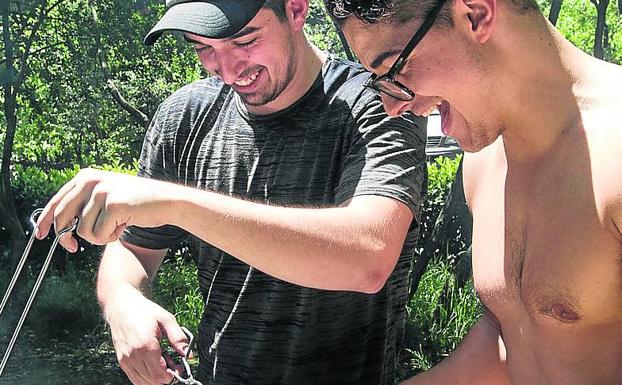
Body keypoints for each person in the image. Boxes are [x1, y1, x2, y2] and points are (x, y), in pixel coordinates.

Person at [35, 0, 428, 384]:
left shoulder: (380, 103)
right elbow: (134, 248)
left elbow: (367, 257)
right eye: (203, 47)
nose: (227, 70)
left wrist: (174, 203)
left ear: (295, 9)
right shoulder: (185, 118)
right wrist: (122, 301)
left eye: (244, 41)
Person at [323, 0, 622, 383]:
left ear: (476, 14)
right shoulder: (484, 162)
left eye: (396, 68)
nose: (392, 105)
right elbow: (513, 338)